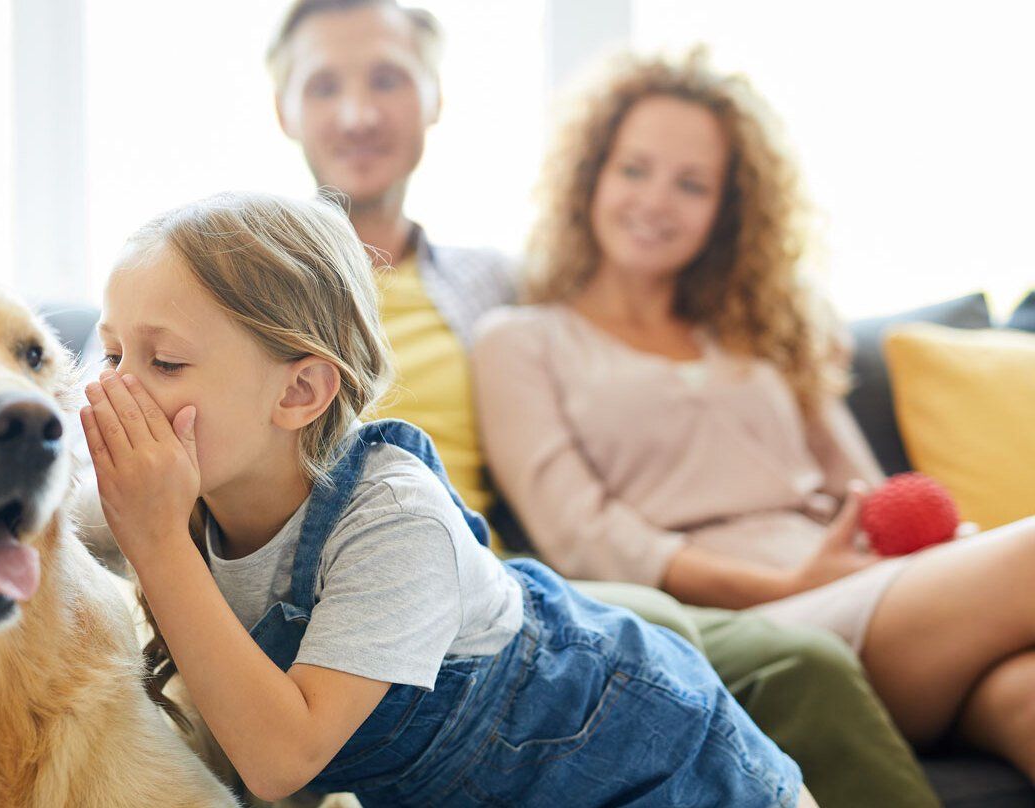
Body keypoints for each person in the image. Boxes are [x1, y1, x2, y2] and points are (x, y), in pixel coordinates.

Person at [266, 1, 936, 804]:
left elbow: (612, 316)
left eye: (388, 80)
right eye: (324, 85)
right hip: (351, 581)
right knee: (677, 632)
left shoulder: (492, 285)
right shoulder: (245, 277)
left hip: (495, 575)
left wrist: (777, 327)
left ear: (435, 97)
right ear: (283, 107)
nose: (359, 112)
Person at [81, 189, 808, 807]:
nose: (115, 388)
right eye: (111, 354)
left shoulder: (394, 520)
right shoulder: (177, 487)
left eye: (165, 361)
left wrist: (158, 542)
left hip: (656, 765)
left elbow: (281, 759)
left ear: (299, 392)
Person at [473, 48, 1035, 781]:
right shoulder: (521, 339)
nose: (655, 201)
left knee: (1025, 695)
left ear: (727, 208)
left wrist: (936, 554)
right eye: (634, 169)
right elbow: (586, 540)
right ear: (591, 177)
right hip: (754, 624)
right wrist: (788, 588)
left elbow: (864, 493)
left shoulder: (760, 333)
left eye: (692, 184)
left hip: (868, 594)